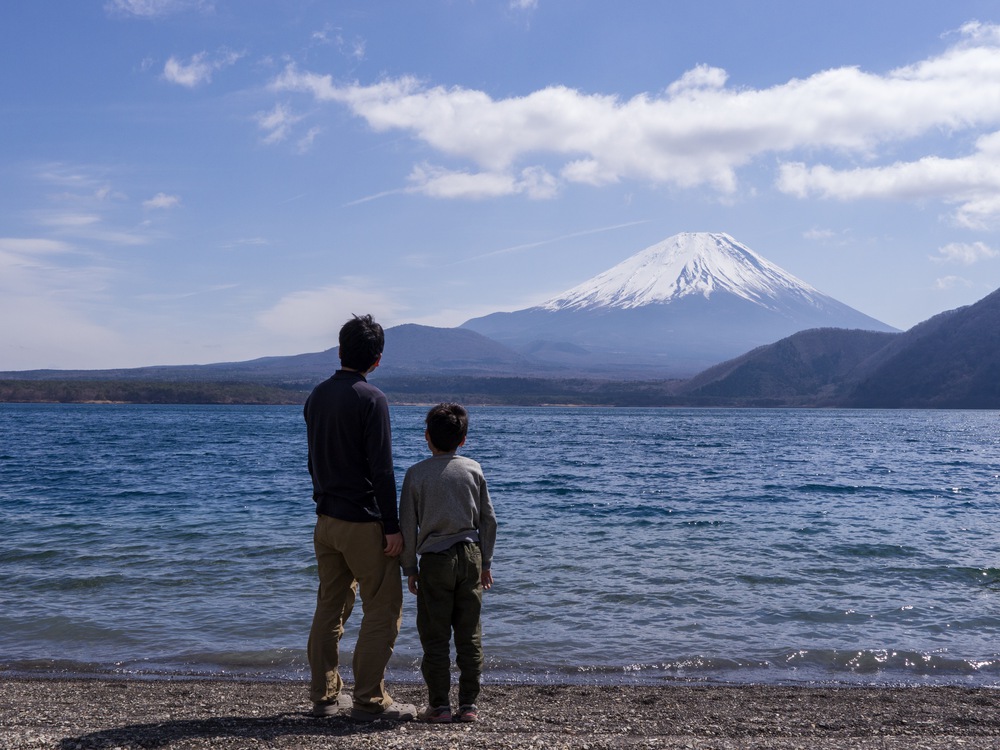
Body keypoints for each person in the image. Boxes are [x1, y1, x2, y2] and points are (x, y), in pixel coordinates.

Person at [303, 314, 416, 722]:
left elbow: (313, 460)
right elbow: (381, 470)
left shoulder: (316, 395)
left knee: (330, 607)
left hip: (325, 519)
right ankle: (369, 699)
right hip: (363, 521)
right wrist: (392, 527)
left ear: (339, 351)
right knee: (383, 608)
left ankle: (324, 695)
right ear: (378, 360)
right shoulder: (372, 399)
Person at [399, 403, 498, 724]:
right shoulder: (473, 469)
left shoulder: (416, 474)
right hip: (470, 555)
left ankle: (439, 706)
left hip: (434, 560)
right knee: (469, 635)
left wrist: (409, 568)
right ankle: (468, 705)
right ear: (464, 439)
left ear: (427, 437)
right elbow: (488, 520)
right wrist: (486, 562)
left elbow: (407, 525)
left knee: (435, 635)